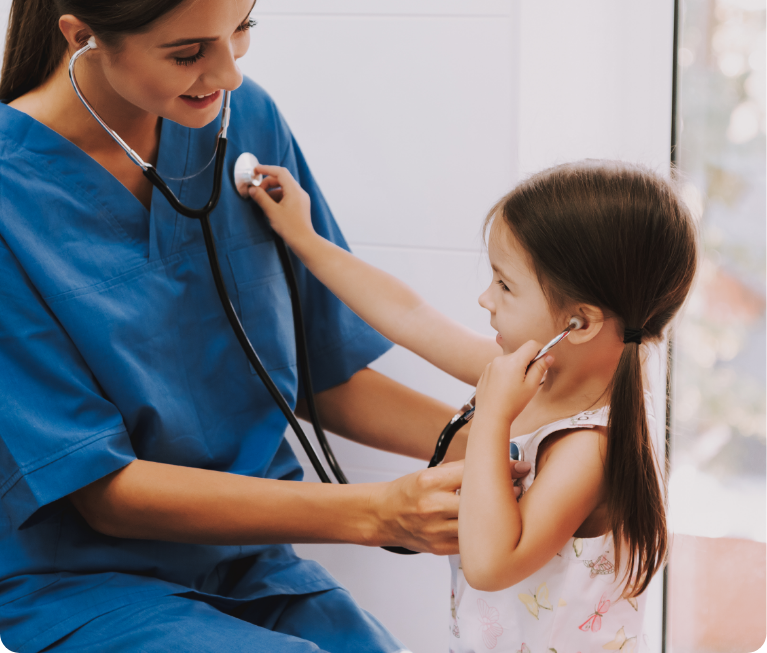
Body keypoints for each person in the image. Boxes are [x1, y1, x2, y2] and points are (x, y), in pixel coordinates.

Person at [0, 0, 532, 653]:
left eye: (240, 30)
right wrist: (375, 512)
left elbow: (327, 377)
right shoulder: (12, 199)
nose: (226, 72)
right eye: (187, 52)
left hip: (247, 566)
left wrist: (508, 452)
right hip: (74, 583)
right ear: (84, 36)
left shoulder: (240, 123)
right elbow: (104, 493)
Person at [248, 159, 698, 652]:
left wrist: (494, 417)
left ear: (580, 324)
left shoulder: (587, 448)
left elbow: (490, 566)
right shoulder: (538, 377)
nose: (485, 299)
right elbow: (410, 316)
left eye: (505, 285)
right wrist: (305, 239)